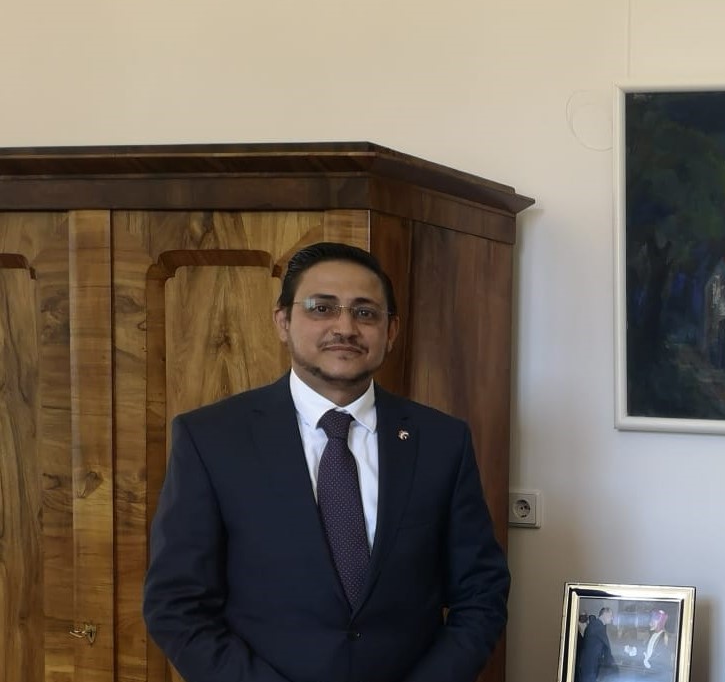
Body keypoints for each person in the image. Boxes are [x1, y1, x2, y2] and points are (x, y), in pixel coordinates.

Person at [143, 242, 510, 682]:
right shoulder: (211, 438)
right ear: (283, 321)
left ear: (391, 330)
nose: (345, 327)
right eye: (322, 308)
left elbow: (481, 594)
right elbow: (177, 605)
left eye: (365, 313)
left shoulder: (442, 441)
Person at [577, 607, 614, 682]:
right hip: (589, 666)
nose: (612, 618)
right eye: (611, 615)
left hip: (589, 665)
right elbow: (608, 645)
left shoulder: (596, 625)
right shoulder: (597, 626)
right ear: (605, 614)